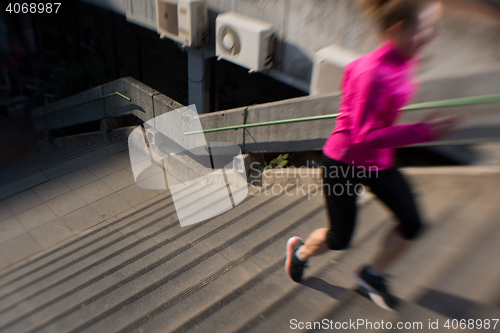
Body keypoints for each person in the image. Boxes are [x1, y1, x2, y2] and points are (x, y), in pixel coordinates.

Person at [285, 0, 464, 312]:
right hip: (344, 162)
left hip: (379, 161)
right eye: (426, 29)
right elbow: (363, 136)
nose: (433, 35)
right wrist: (423, 132)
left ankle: (372, 274)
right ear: (398, 29)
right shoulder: (371, 72)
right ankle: (299, 252)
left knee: (412, 223)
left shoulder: (406, 58)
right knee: (340, 239)